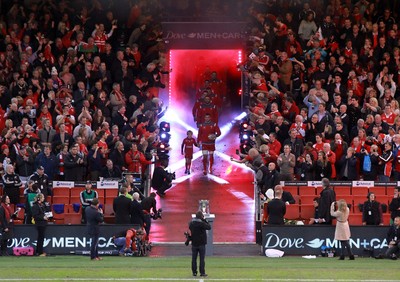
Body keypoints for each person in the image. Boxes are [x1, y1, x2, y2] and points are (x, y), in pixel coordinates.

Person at [189, 211, 211, 277]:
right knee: (202, 259)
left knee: (194, 259)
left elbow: (190, 228)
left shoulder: (191, 223)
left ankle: (194, 272)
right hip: (201, 243)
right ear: (201, 217)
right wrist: (204, 220)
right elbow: (209, 227)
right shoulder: (202, 224)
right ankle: (202, 272)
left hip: (194, 243)